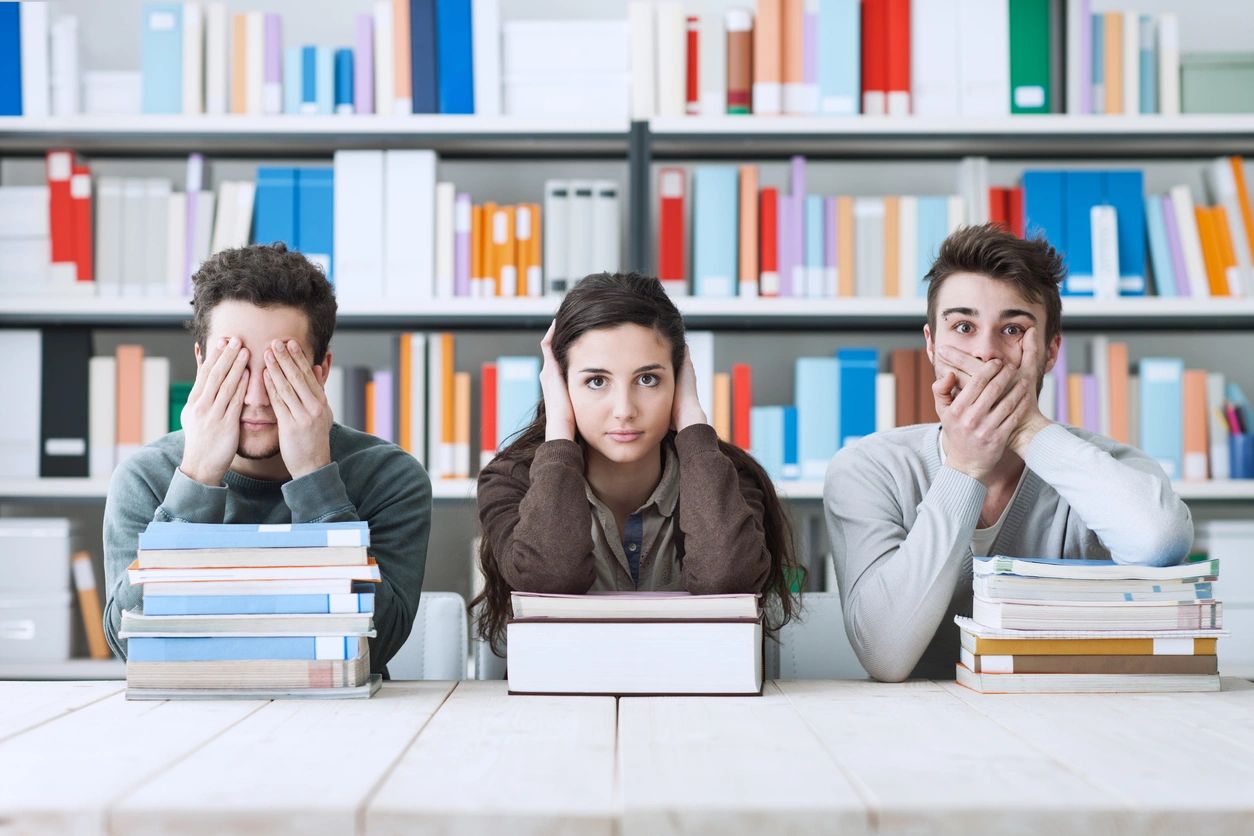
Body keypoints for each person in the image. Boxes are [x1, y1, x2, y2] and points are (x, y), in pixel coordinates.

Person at [823, 224, 1194, 682]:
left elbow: (1160, 542)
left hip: (1074, 718)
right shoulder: (868, 469)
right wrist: (963, 467)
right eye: (963, 327)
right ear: (932, 346)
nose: (986, 355)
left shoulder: (1108, 468)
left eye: (1013, 329)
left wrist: (1027, 430)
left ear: (1051, 352)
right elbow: (884, 656)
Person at [103, 243, 431, 674]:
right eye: (234, 366)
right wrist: (198, 476)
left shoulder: (390, 476)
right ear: (202, 364)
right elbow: (129, 639)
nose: (257, 399)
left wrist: (315, 475)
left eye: (280, 368)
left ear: (321, 370)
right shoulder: (145, 477)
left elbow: (378, 641)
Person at [473, 271, 802, 653]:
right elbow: (549, 579)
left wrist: (693, 420)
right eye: (596, 381)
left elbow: (726, 580)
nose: (624, 410)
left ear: (679, 381)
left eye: (648, 380)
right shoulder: (512, 481)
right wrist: (558, 425)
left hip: (703, 701)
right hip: (556, 704)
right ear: (560, 384)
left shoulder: (726, 476)